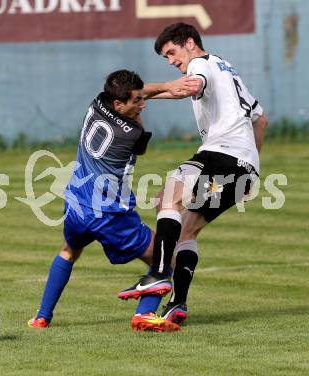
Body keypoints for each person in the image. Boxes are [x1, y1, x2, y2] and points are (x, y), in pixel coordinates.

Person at [119, 23, 269, 324]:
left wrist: (138, 92)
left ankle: (159, 274)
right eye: (166, 57)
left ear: (189, 43)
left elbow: (191, 86)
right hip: (244, 167)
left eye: (172, 53)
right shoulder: (227, 69)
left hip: (220, 155)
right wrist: (251, 165)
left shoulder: (201, 63)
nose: (172, 61)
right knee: (187, 230)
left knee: (167, 199)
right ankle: (178, 304)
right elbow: (261, 119)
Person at [28, 69, 195, 332]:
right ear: (118, 104)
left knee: (68, 251)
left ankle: (42, 316)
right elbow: (139, 133)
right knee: (166, 259)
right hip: (110, 214)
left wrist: (167, 87)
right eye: (137, 102)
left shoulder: (97, 103)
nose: (143, 105)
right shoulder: (132, 135)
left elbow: (136, 94)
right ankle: (145, 313)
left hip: (76, 203)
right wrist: (168, 91)